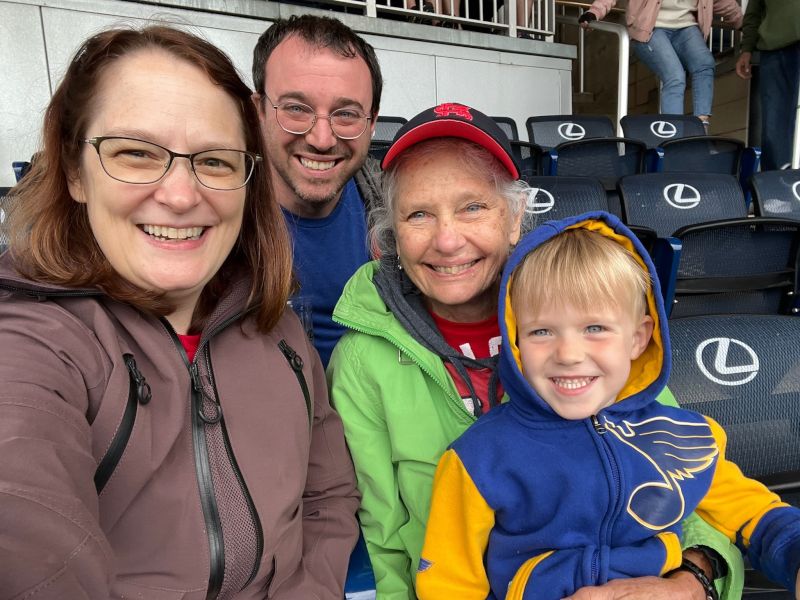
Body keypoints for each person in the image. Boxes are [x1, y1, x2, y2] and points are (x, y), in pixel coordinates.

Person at [328, 103, 744, 600]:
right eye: (419, 214)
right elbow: (385, 545)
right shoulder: (361, 361)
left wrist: (694, 580)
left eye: (472, 207)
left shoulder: (585, 321)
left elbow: (694, 480)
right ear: (393, 235)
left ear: (514, 217)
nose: (446, 238)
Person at [0, 25, 359, 598]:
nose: (181, 193)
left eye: (214, 161)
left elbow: (328, 497)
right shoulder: (32, 342)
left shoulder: (278, 325)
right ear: (74, 172)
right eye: (137, 154)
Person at [417, 212, 800, 600]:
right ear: (515, 342)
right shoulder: (479, 458)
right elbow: (448, 585)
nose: (568, 354)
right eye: (542, 331)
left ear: (638, 339)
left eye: (594, 328)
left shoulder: (687, 435)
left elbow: (757, 515)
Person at [252, 14, 384, 367]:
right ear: (258, 111)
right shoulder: (214, 216)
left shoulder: (397, 209)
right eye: (296, 109)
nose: (321, 140)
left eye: (346, 114)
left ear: (372, 123)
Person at [579, 0, 742, 128]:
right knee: (675, 76)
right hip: (650, 28)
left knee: (704, 64)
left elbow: (724, 3)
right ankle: (673, 135)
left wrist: (745, 24)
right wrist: (595, 12)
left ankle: (700, 127)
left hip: (686, 27)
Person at [736, 0, 800, 171]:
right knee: (774, 125)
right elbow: (754, 11)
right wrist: (746, 49)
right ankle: (774, 192)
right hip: (775, 49)